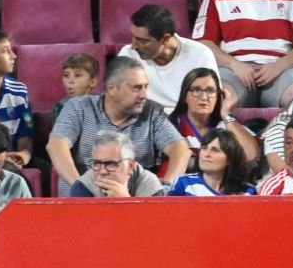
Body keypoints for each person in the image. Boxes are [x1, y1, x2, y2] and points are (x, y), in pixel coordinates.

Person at [47, 55, 189, 194]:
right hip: (80, 206)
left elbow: (180, 149)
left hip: (135, 208)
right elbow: (56, 145)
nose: (144, 95)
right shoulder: (79, 108)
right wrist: (82, 188)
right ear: (111, 88)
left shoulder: (152, 113)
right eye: (136, 88)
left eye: (145, 87)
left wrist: (167, 187)